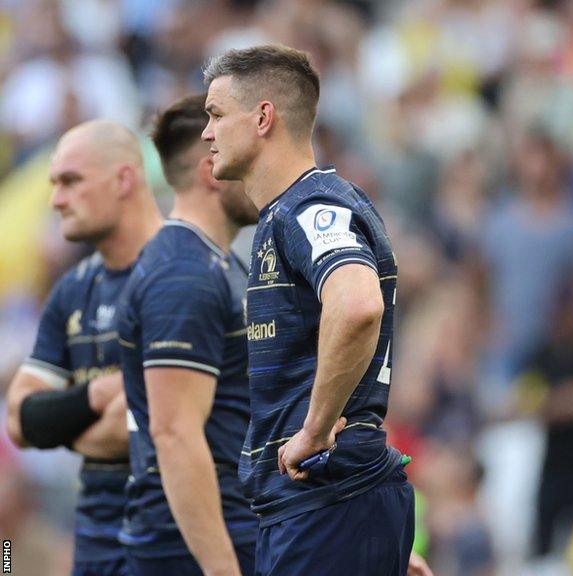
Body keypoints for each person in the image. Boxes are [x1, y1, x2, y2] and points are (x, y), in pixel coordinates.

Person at [201, 44, 415, 575]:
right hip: (325, 509)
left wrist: (316, 430)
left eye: (216, 114)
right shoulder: (287, 213)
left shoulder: (310, 207)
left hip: (325, 502)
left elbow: (359, 304)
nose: (206, 133)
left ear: (264, 117)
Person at [4, 120, 163, 576]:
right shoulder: (71, 289)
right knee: (6, 561)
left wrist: (57, 424)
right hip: (91, 534)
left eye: (70, 182)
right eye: (54, 184)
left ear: (124, 180)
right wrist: (98, 394)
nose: (55, 200)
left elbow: (128, 429)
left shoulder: (182, 276)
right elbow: (19, 419)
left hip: (168, 537)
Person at [116, 94, 259, 575]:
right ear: (208, 168)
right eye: (247, 155)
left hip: (232, 530)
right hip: (193, 550)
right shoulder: (183, 274)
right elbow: (175, 433)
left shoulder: (218, 262)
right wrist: (222, 570)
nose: (260, 171)